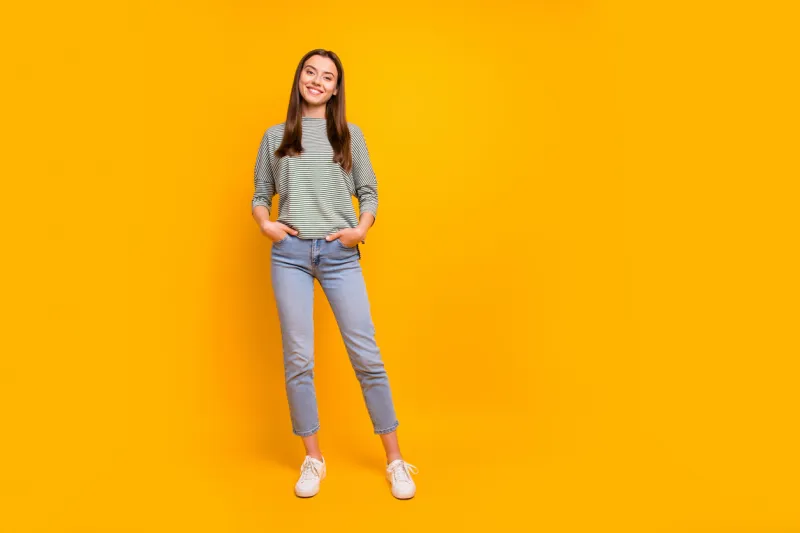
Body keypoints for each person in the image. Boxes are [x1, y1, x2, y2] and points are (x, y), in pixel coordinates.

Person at [251, 49, 419, 499]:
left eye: (328, 76)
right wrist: (266, 224)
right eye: (311, 72)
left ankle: (396, 460)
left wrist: (359, 230)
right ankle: (314, 459)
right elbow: (260, 194)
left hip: (338, 254)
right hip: (289, 254)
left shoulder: (347, 135)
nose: (318, 81)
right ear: (300, 78)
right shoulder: (275, 136)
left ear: (336, 88)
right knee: (299, 359)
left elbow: (369, 190)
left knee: (366, 355)